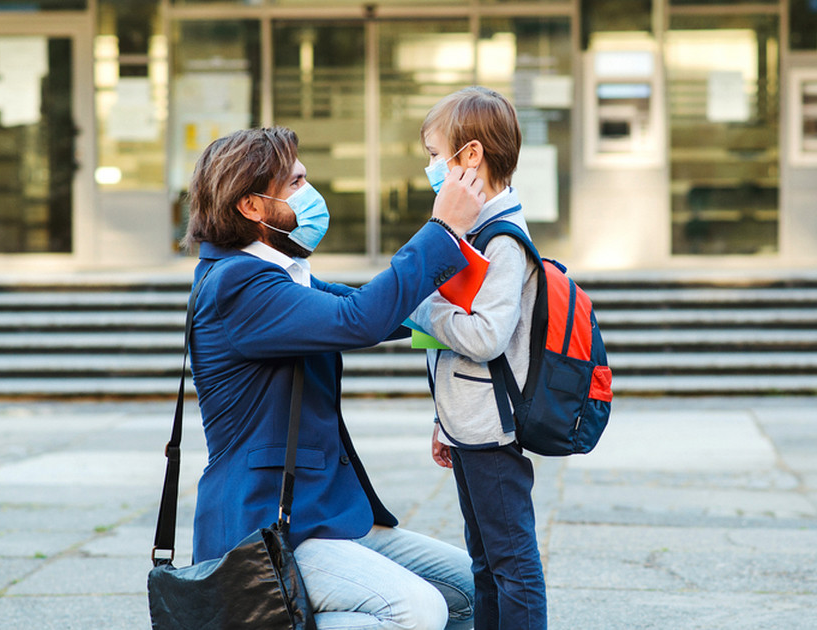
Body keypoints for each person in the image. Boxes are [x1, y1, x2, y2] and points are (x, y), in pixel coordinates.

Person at [183, 126, 482, 630]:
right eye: (296, 182)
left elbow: (379, 313)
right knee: (418, 608)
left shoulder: (279, 275)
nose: (310, 192)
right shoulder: (239, 284)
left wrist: (475, 307)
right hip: (267, 527)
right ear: (252, 207)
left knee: (469, 588)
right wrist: (441, 230)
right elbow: (360, 319)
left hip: (321, 514)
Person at [408, 87, 546, 629]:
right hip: (469, 424)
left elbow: (486, 336)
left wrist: (420, 308)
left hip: (492, 431)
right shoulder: (474, 233)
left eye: (433, 155)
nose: (429, 167)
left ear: (469, 157)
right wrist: (442, 418)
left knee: (512, 563)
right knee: (486, 561)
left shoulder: (502, 241)